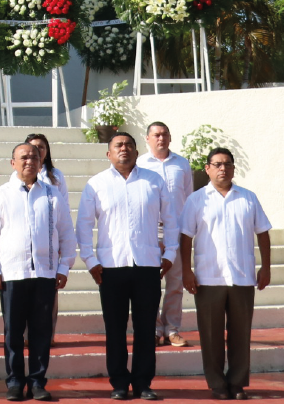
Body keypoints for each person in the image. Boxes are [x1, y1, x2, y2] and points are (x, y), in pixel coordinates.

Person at [76, 132, 178, 401]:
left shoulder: (153, 181)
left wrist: (171, 253)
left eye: (129, 145)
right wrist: (90, 260)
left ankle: (143, 383)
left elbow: (170, 219)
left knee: (146, 329)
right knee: (115, 329)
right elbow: (84, 226)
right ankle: (119, 382)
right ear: (108, 153)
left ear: (136, 152)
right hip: (110, 268)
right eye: (118, 145)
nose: (124, 149)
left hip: (147, 266)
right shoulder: (96, 184)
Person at [0, 143, 77, 402]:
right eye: (23, 157)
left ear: (41, 162)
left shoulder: (52, 194)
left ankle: (37, 381)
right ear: (13, 162)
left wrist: (64, 265)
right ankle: (14, 382)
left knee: (41, 332)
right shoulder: (1, 194)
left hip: (45, 274)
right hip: (12, 274)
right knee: (13, 332)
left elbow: (67, 232)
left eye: (34, 157)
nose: (29, 161)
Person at [180, 148, 272, 400]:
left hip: (242, 277)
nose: (223, 169)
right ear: (207, 168)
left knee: (241, 334)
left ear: (233, 168)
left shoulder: (248, 198)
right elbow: (185, 237)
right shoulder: (196, 200)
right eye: (217, 164)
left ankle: (237, 382)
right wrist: (186, 271)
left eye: (228, 164)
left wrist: (266, 266)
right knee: (210, 335)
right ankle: (217, 383)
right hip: (208, 278)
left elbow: (262, 232)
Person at [136, 122, 195, 348]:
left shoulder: (182, 164)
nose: (160, 138)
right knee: (149, 284)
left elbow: (188, 198)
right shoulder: (139, 164)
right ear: (148, 139)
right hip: (149, 232)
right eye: (156, 135)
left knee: (175, 283)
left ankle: (172, 330)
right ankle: (152, 329)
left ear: (170, 138)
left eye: (164, 135)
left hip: (176, 231)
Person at [24, 133, 69, 347]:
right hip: (27, 241)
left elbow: (64, 210)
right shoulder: (18, 175)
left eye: (41, 147)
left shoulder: (55, 176)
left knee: (49, 291)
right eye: (32, 148)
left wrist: (61, 242)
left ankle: (48, 334)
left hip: (51, 241)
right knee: (26, 290)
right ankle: (25, 334)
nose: (37, 151)